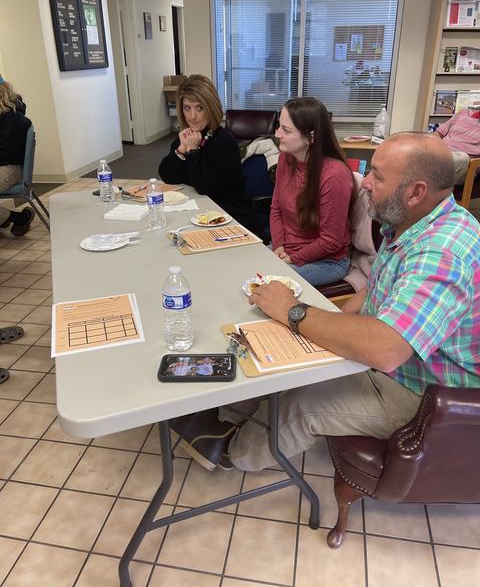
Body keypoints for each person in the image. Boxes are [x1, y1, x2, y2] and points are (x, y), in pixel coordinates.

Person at [170, 132, 480, 472]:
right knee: (282, 351)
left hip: (427, 397)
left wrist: (294, 310)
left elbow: (387, 349)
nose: (365, 183)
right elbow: (390, 283)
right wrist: (335, 316)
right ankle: (229, 413)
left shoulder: (443, 253)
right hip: (400, 366)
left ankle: (234, 453)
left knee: (304, 403)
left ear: (416, 192)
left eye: (377, 175)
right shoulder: (416, 221)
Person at [270, 97, 355, 286]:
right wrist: (278, 246)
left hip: (326, 261)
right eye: (279, 126)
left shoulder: (335, 175)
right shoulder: (286, 158)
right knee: (244, 267)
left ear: (311, 137)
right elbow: (276, 208)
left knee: (267, 285)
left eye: (286, 130)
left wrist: (292, 259)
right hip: (289, 252)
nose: (277, 134)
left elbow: (331, 241)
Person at [159, 74, 256, 231]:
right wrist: (181, 150)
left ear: (210, 107)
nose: (192, 116)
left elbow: (204, 186)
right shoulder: (188, 136)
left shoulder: (224, 142)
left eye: (200, 108)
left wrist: (192, 151)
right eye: (187, 108)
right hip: (198, 211)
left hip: (228, 217)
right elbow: (168, 176)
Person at [0, 75, 35, 236]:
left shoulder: (15, 119)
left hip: (9, 167)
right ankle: (16, 217)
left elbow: (7, 152)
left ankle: (10, 218)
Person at [433, 105, 480, 184]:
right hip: (440, 152)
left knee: (462, 158)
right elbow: (437, 134)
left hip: (464, 166)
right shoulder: (463, 112)